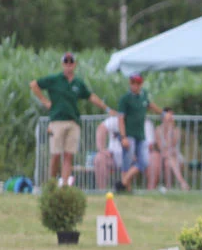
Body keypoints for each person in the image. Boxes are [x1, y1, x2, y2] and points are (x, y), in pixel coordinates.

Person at [29, 52, 114, 186]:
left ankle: (64, 185)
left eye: (71, 62)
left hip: (73, 122)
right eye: (66, 62)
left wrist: (107, 109)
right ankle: (51, 184)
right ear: (63, 64)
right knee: (55, 154)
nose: (68, 65)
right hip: (57, 121)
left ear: (75, 64)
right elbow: (34, 85)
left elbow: (90, 96)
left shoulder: (78, 83)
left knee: (69, 155)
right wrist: (45, 102)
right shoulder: (55, 79)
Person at [116, 74, 163, 192]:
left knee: (144, 161)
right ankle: (127, 188)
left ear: (141, 84)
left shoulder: (144, 96)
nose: (135, 85)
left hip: (141, 135)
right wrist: (123, 137)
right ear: (130, 83)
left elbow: (150, 105)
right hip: (129, 135)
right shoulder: (125, 99)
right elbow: (121, 119)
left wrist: (163, 114)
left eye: (137, 83)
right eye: (133, 83)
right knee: (127, 161)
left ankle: (123, 183)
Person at [156, 108, 190, 191]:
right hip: (163, 154)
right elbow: (160, 147)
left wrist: (170, 130)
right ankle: (182, 182)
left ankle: (169, 187)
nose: (170, 118)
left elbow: (173, 144)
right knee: (168, 158)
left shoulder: (176, 130)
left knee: (168, 162)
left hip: (175, 155)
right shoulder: (158, 130)